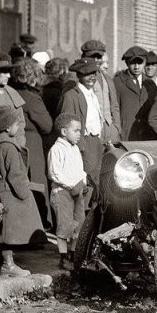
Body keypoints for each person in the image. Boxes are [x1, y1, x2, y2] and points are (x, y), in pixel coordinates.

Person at [0, 105, 43, 276]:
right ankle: (8, 265)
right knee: (9, 233)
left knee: (1, 230)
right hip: (11, 193)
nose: (18, 127)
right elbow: (15, 174)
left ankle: (4, 263)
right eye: (17, 124)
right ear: (8, 127)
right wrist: (25, 193)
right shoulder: (9, 146)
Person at [11, 59, 53, 228]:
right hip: (33, 144)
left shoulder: (12, 92)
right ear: (33, 77)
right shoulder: (32, 97)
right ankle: (40, 224)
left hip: (16, 141)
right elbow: (47, 125)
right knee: (36, 181)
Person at [48, 113, 87, 271]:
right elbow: (54, 173)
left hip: (76, 191)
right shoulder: (56, 149)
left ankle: (73, 254)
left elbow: (80, 169)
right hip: (62, 192)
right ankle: (63, 257)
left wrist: (82, 182)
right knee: (64, 226)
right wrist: (71, 185)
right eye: (76, 130)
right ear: (64, 132)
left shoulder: (75, 149)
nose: (79, 134)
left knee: (79, 224)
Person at [60, 58, 103, 189]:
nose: (92, 77)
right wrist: (80, 145)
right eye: (87, 74)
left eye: (94, 74)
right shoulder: (71, 95)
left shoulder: (92, 94)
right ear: (79, 75)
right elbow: (66, 122)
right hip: (84, 144)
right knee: (87, 181)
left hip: (96, 143)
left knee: (98, 180)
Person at [80, 40, 121, 145]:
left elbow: (114, 106)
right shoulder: (78, 78)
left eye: (99, 57)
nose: (96, 60)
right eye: (92, 57)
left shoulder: (107, 78)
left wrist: (116, 128)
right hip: (90, 133)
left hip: (109, 131)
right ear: (84, 57)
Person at [113, 46, 154, 140]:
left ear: (145, 63)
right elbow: (114, 111)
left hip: (146, 136)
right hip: (126, 135)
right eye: (133, 63)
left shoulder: (150, 84)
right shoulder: (118, 82)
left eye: (140, 62)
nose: (136, 66)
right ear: (127, 63)